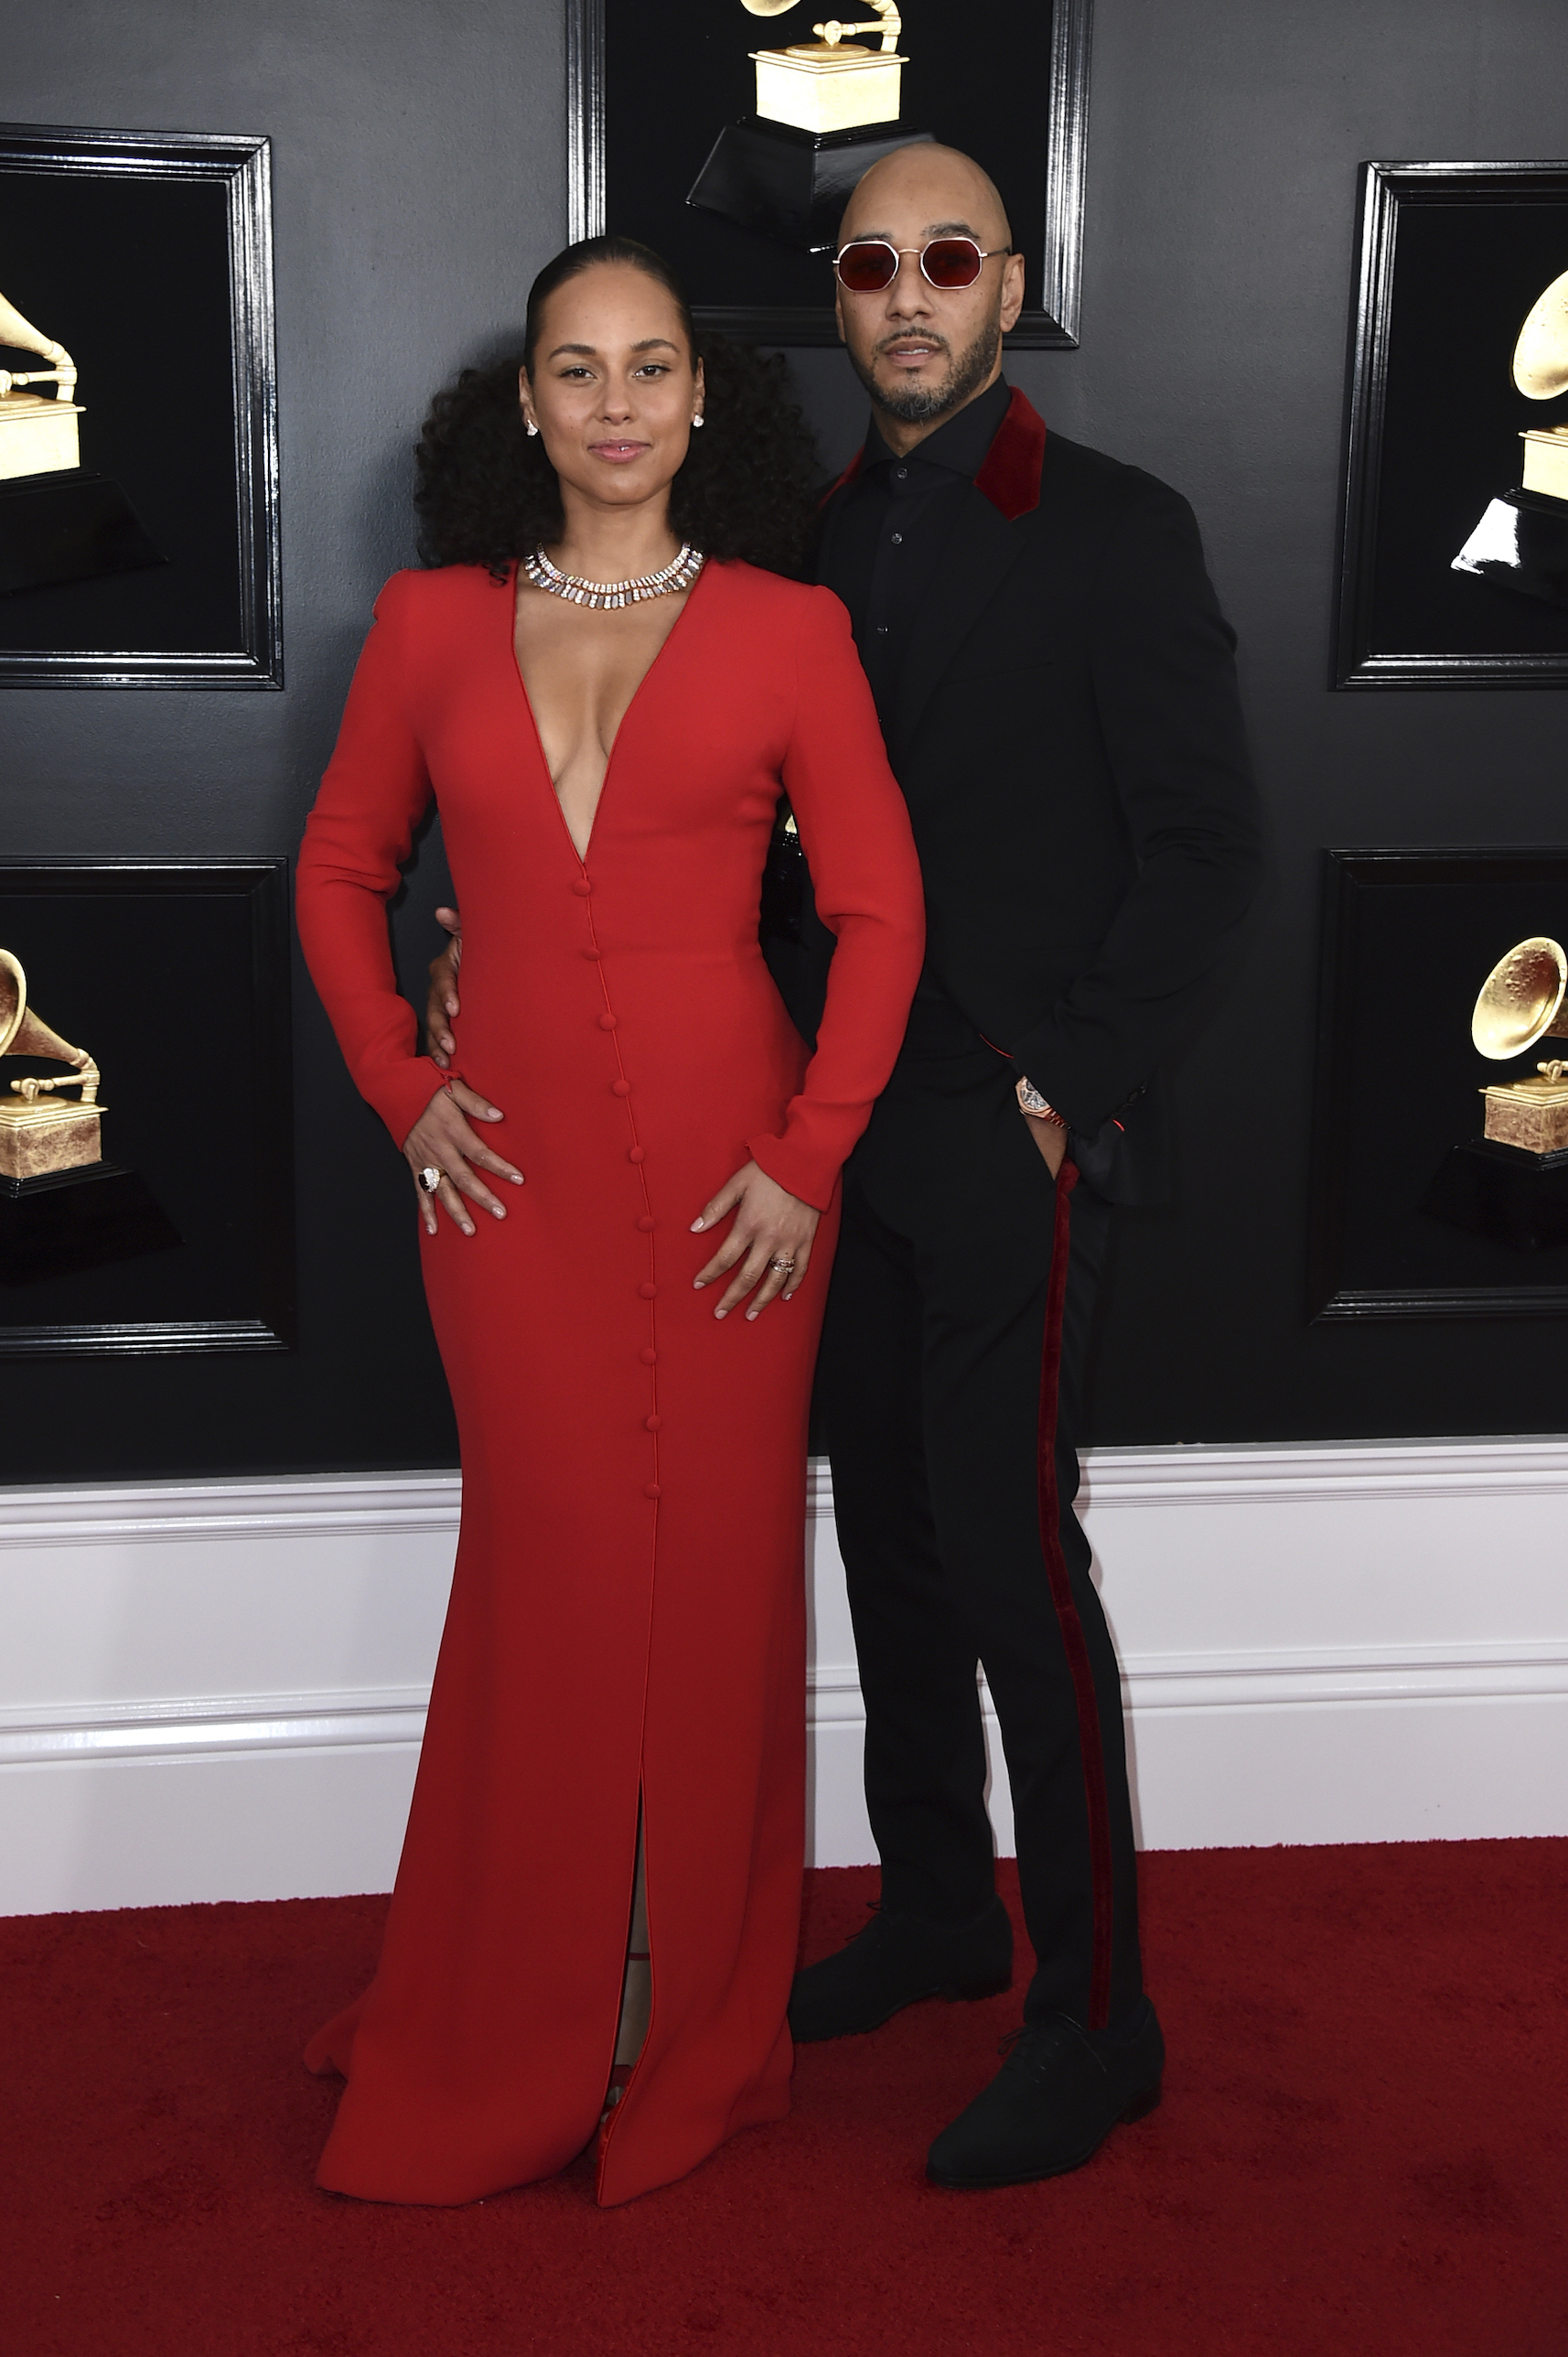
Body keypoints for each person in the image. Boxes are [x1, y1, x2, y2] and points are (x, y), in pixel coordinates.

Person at [427, 144, 1262, 2193]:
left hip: (1009, 1126)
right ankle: (940, 1906)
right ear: (842, 296)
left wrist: (1060, 1087)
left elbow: (1208, 850)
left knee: (1008, 1559)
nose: (908, 294)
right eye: (873, 263)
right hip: (816, 1137)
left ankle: (1099, 2014)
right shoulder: (787, 544)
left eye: (947, 259)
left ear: (1010, 285)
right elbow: (730, 845)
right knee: (884, 1542)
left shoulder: (1118, 530)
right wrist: (484, 948)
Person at [295, 234, 925, 2209]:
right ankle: (526, 2001)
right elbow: (336, 873)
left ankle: (694, 2014)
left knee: (724, 1586)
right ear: (529, 406)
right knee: (555, 1579)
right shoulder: (423, 627)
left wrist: (810, 1157)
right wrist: (407, 1085)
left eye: (655, 365)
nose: (622, 403)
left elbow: (886, 915)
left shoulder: (787, 632)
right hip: (511, 1192)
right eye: (580, 369)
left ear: (703, 397)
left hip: (742, 1190)